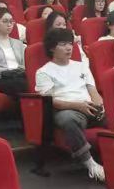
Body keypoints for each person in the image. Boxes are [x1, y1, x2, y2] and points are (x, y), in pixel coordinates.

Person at [34, 29, 105, 181]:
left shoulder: (81, 66)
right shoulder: (43, 72)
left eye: (70, 44)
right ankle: (90, 164)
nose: (68, 48)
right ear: (52, 48)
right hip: (67, 109)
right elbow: (50, 102)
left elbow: (93, 90)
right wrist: (77, 106)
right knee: (68, 119)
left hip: (90, 107)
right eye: (63, 44)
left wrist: (100, 104)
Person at [0, 5, 29, 96]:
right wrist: (8, 70)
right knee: (19, 84)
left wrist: (18, 71)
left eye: (11, 21)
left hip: (18, 76)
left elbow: (24, 65)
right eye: (5, 21)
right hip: (0, 78)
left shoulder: (18, 43)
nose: (9, 24)